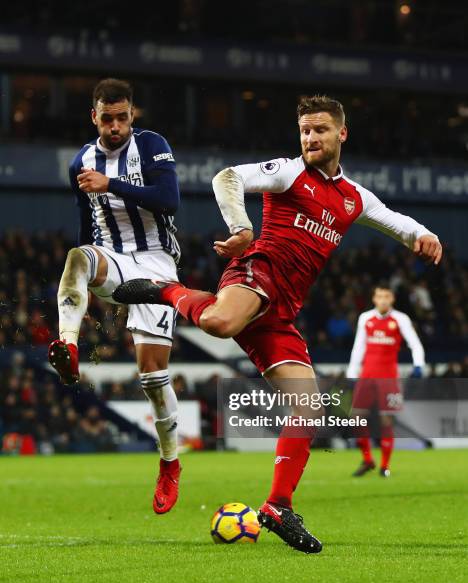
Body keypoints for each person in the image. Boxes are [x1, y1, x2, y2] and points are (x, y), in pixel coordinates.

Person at [113, 95, 442, 553]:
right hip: (257, 273)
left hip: (282, 311)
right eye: (305, 130)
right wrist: (241, 227)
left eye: (320, 130)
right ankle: (163, 289)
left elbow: (393, 219)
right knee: (220, 322)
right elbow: (227, 177)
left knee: (309, 405)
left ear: (341, 134)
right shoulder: (289, 172)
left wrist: (423, 235)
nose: (310, 138)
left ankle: (278, 506)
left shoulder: (352, 198)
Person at [48, 78, 182, 514]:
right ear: (95, 117)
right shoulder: (80, 162)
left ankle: (169, 463)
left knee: (152, 379)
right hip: (113, 257)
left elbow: (169, 200)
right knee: (77, 256)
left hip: (157, 263)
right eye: (107, 118)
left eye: (122, 117)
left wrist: (111, 184)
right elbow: (87, 225)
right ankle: (68, 342)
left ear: (131, 114)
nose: (116, 126)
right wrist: (87, 282)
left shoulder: (153, 144)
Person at [347, 285, 425, 477]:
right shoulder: (365, 318)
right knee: (356, 417)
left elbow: (415, 343)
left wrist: (418, 365)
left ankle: (385, 465)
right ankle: (367, 460)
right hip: (367, 375)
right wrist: (352, 371)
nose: (382, 300)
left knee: (386, 420)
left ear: (392, 300)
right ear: (374, 299)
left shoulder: (400, 319)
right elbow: (359, 346)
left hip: (389, 376)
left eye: (386, 296)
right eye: (379, 296)